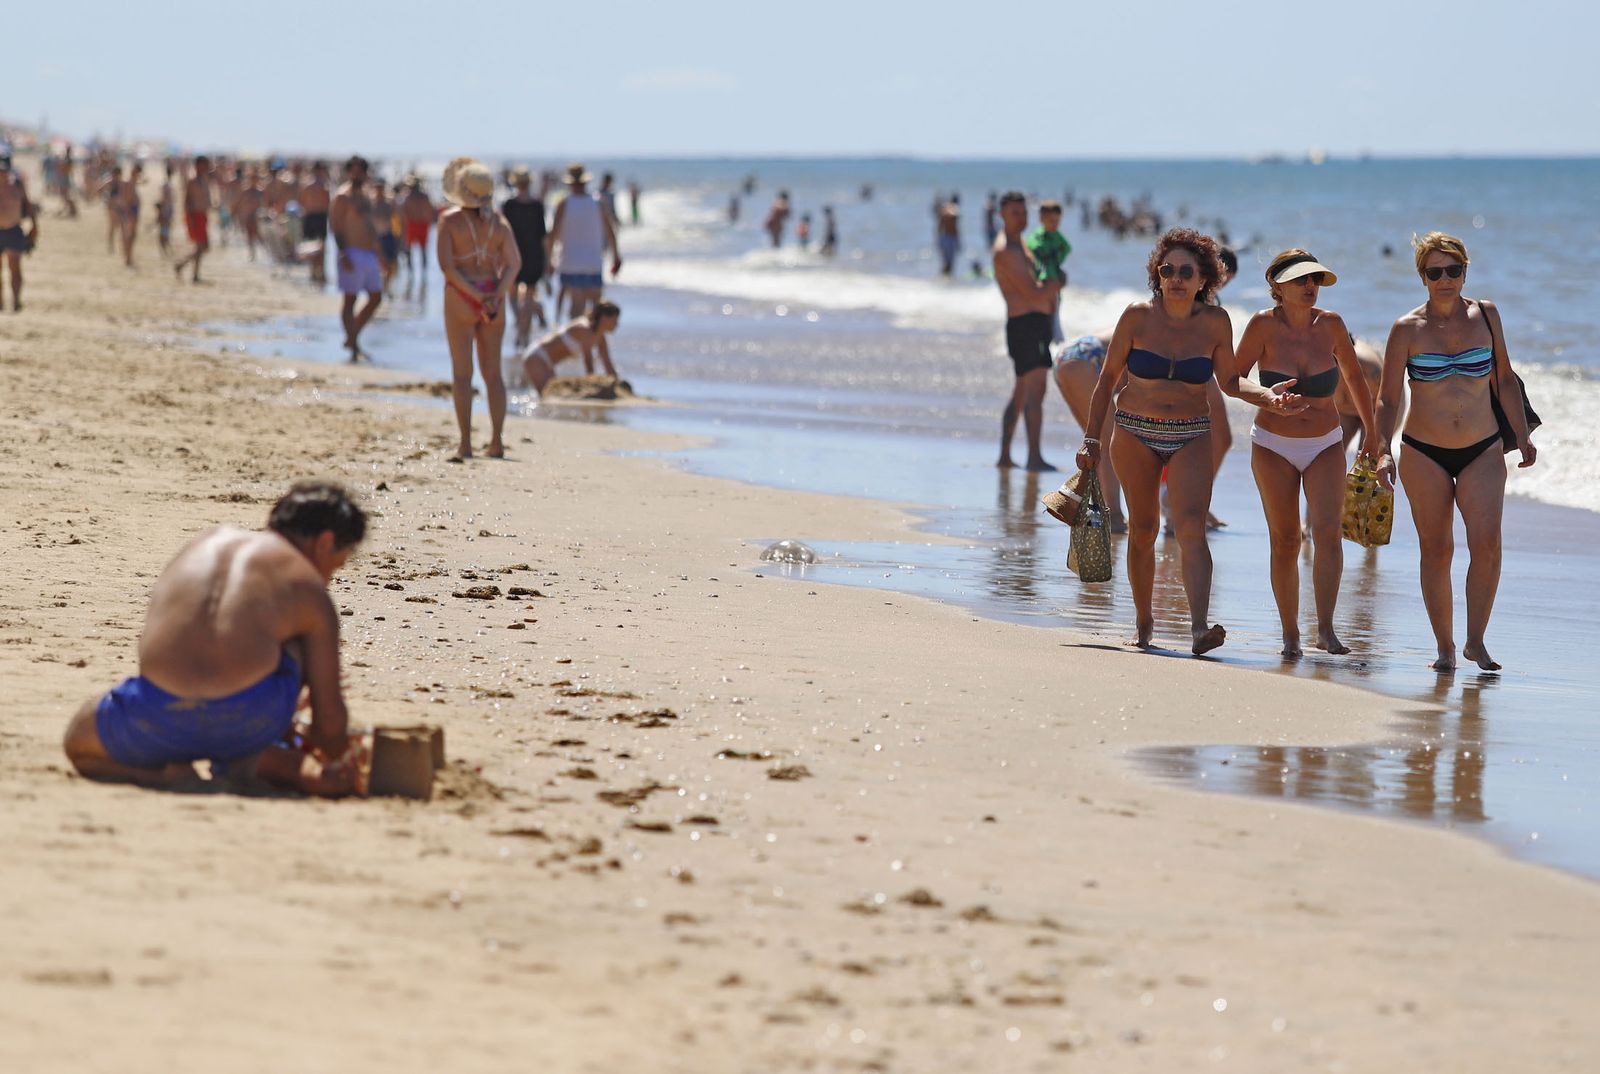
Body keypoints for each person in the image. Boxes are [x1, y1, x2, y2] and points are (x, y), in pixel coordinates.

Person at [62, 481, 367, 797]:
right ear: (325, 542)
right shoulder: (306, 584)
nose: (328, 578)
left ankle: (166, 775)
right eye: (336, 566)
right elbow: (329, 727)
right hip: (249, 724)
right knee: (298, 634)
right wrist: (333, 747)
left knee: (79, 739)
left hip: (160, 714)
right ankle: (259, 761)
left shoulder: (201, 546)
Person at [1077, 228, 1302, 654]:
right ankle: (1144, 623)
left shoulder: (1216, 322)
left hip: (1192, 434)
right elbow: (1107, 380)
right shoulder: (1136, 317)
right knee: (1142, 530)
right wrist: (1091, 439)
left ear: (1205, 279)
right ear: (1157, 275)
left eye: (1186, 271)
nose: (1176, 278)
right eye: (1167, 270)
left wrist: (1270, 397)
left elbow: (1232, 381)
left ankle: (1199, 629)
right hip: (1134, 432)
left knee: (1191, 529)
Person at [1375, 231, 1537, 672]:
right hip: (1423, 451)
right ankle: (1445, 647)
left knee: (1486, 545)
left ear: (1465, 270)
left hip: (1483, 448)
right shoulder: (1406, 329)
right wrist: (1382, 449)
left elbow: (1504, 379)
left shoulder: (1486, 315)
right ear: (1422, 276)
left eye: (1454, 270)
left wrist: (1522, 435)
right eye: (1435, 272)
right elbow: (1389, 398)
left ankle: (1476, 641)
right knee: (1437, 548)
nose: (1445, 279)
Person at [1229, 249, 1380, 657]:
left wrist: (1374, 433)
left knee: (1328, 535)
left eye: (1314, 279)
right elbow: (1230, 378)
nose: (1310, 286)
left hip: (1325, 442)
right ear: (1277, 286)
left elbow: (1356, 379)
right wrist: (1266, 396)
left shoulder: (1331, 324)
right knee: (1285, 540)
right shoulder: (1262, 325)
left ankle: (1326, 630)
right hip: (1273, 446)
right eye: (1300, 280)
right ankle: (1290, 633)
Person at [438, 156, 519, 461]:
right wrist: (496, 295)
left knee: (462, 375)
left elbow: (447, 267)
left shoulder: (449, 221)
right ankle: (497, 442)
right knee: (493, 374)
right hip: (492, 296)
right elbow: (514, 263)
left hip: (461, 297)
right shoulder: (499, 222)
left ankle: (465, 444)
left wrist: (472, 295)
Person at [992, 191, 1062, 472]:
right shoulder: (1005, 251)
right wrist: (1059, 282)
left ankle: (1005, 455)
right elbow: (1034, 294)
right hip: (1026, 325)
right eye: (1015, 213)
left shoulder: (1021, 243)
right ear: (1002, 215)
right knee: (1035, 391)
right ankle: (1034, 457)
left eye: (1023, 213)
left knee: (1022, 390)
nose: (1021, 218)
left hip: (1033, 324)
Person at [1050, 333, 1124, 531]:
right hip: (1086, 357)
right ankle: (1114, 516)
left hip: (1069, 355)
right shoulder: (1170, 340)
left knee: (1096, 444)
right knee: (1108, 442)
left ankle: (1097, 514)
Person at [546, 162, 620, 320]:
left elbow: (553, 235)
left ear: (569, 183)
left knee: (576, 315)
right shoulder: (598, 202)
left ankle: (575, 342)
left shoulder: (564, 204)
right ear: (586, 181)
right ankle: (590, 344)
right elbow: (610, 232)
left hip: (570, 263)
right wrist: (616, 256)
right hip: (593, 263)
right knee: (596, 317)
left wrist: (549, 260)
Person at [330, 155, 383, 361]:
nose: (357, 174)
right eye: (353, 170)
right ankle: (354, 346)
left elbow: (370, 226)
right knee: (350, 300)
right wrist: (343, 253)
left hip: (369, 253)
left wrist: (378, 251)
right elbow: (336, 226)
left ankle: (353, 337)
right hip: (351, 252)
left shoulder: (366, 196)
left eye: (360, 170)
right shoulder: (343, 196)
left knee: (376, 297)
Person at [519, 299, 623, 394]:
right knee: (547, 395)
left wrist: (617, 385)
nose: (617, 324)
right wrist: (593, 386)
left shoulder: (600, 337)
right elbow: (588, 362)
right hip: (536, 357)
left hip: (548, 363)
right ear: (604, 318)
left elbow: (607, 363)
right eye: (615, 320)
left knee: (553, 396)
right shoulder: (585, 328)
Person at [502, 165, 548, 350]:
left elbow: (503, 234)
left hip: (513, 254)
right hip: (534, 255)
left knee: (512, 295)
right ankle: (525, 334)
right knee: (528, 298)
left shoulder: (509, 205)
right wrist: (547, 260)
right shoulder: (537, 205)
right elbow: (543, 236)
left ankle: (520, 327)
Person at [1024, 200, 1071, 343]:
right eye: (1051, 221)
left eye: (1057, 221)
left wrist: (1057, 261)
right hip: (1040, 285)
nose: (1055, 224)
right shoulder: (1036, 238)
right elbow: (1029, 253)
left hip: (1055, 284)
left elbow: (1067, 248)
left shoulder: (1057, 236)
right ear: (1041, 219)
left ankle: (1054, 344)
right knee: (1040, 320)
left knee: (1054, 318)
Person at [0, 152, 40, 311]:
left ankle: (16, 301)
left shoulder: (17, 185)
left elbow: (29, 207)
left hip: (13, 230)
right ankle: (1, 302)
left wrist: (35, 227)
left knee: (14, 268)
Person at [1337, 337, 1390, 451]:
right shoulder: (1314, 366)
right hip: (1345, 410)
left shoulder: (1369, 370)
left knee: (1367, 460)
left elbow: (1388, 402)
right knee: (1333, 452)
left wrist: (1371, 435)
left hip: (1380, 404)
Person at [172, 155, 212, 283]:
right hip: (195, 216)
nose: (207, 167)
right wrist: (190, 219)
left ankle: (186, 268)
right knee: (201, 246)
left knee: (202, 247)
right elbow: (187, 201)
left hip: (202, 215)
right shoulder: (193, 181)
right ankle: (187, 269)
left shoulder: (204, 180)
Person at [299, 162, 331, 285]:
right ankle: (320, 272)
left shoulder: (307, 184)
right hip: (319, 216)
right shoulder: (323, 185)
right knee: (319, 246)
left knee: (312, 245)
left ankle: (314, 272)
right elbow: (327, 204)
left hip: (311, 216)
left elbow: (301, 201)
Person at [399, 175, 434, 283]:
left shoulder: (410, 196)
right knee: (416, 250)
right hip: (416, 224)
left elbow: (403, 212)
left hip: (417, 225)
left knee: (419, 250)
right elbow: (430, 210)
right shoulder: (418, 196)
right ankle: (415, 273)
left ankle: (417, 273)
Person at [114, 161, 143, 268]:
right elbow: (126, 200)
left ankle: (128, 257)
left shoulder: (132, 182)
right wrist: (128, 212)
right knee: (129, 235)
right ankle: (128, 258)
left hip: (131, 210)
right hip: (130, 211)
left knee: (130, 235)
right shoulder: (129, 183)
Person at [937, 193, 961, 276]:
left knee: (947, 262)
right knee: (949, 262)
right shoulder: (953, 208)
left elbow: (939, 225)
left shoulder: (944, 209)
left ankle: (946, 279)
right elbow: (953, 218)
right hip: (949, 237)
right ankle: (946, 278)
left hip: (945, 237)